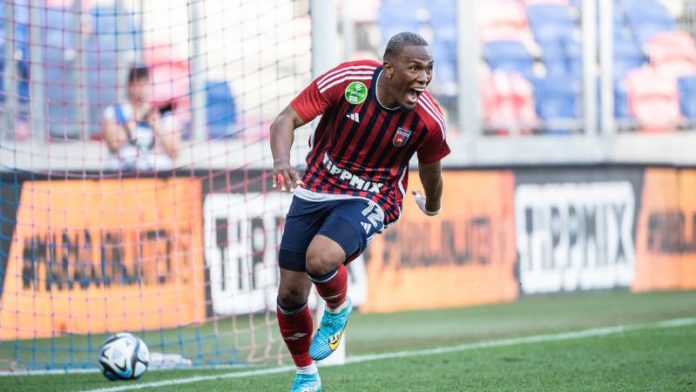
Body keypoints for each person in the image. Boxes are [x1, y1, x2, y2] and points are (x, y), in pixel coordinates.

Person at [270, 32, 450, 392]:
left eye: (428, 70)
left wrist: (432, 205)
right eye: (414, 68)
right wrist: (281, 161)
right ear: (388, 68)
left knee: (320, 260)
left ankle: (337, 309)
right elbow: (286, 118)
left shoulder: (429, 120)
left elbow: (431, 169)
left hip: (374, 196)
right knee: (290, 295)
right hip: (317, 187)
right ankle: (307, 375)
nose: (423, 78)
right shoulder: (349, 81)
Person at [101, 65, 181, 171]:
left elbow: (174, 152)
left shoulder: (165, 115)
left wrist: (157, 126)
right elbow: (114, 144)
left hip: (158, 174)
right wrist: (135, 118)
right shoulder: (114, 112)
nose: (141, 89)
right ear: (129, 86)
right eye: (137, 84)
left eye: (145, 84)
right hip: (123, 173)